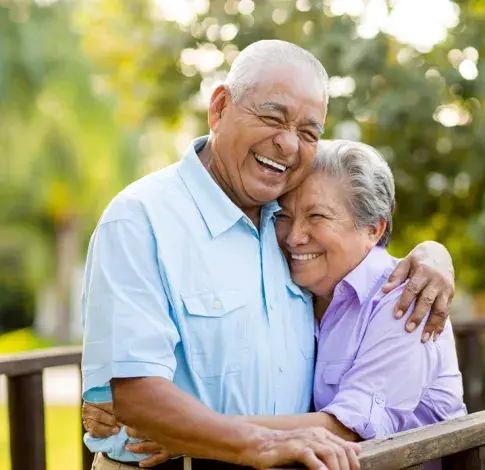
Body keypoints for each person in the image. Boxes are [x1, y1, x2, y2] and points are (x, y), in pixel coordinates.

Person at [80, 40, 456, 470]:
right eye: (272, 117)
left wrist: (434, 255)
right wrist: (241, 441)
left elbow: (359, 243)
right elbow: (136, 397)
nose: (288, 144)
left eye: (309, 132)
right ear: (219, 107)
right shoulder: (139, 219)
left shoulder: (287, 228)